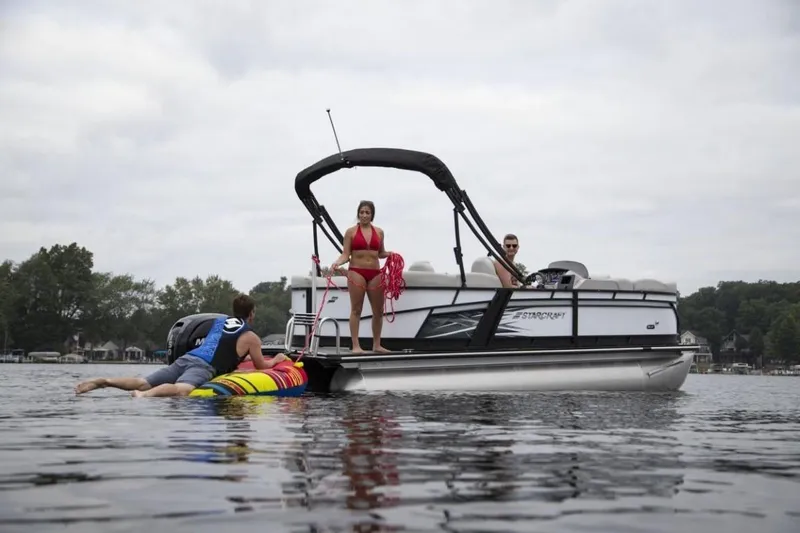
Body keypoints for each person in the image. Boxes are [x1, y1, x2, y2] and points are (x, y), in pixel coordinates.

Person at [75, 294, 290, 398]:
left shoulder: (220, 321)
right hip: (203, 367)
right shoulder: (252, 337)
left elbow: (226, 347)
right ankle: (145, 397)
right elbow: (262, 366)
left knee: (142, 381)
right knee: (183, 390)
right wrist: (277, 360)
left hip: (187, 358)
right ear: (252, 314)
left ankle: (105, 381)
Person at [330, 200, 394, 354]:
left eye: (367, 212)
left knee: (378, 310)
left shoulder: (379, 232)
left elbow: (380, 253)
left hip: (375, 272)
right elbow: (346, 254)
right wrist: (337, 263)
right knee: (356, 310)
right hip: (356, 271)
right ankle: (356, 345)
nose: (364, 215)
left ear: (372, 215)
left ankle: (377, 345)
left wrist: (392, 255)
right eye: (362, 212)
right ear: (358, 214)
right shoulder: (350, 232)